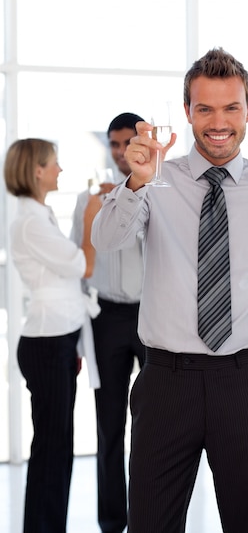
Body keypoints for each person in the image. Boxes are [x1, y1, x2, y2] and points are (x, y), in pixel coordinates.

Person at [91, 47, 248, 533]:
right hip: (165, 385)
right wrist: (134, 182)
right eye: (205, 108)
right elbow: (106, 240)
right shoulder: (154, 181)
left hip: (247, 383)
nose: (219, 121)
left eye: (231, 107)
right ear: (188, 111)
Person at [4, 138, 100, 533]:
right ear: (36, 171)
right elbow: (83, 266)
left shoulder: (39, 216)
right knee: (51, 447)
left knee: (59, 446)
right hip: (46, 344)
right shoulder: (29, 222)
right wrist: (92, 218)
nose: (60, 169)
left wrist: (72, 344)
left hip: (57, 340)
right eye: (54, 163)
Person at [70, 112, 145, 533]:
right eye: (113, 145)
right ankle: (112, 521)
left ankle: (152, 517)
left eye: (126, 144)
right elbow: (79, 263)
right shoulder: (88, 198)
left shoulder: (159, 192)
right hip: (108, 319)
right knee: (109, 424)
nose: (119, 152)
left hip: (152, 317)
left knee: (155, 425)